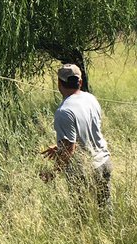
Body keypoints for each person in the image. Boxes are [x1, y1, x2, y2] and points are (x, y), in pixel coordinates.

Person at [42, 63, 112, 211]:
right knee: (105, 212)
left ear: (59, 83)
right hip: (104, 162)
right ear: (80, 82)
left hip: (84, 170)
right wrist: (59, 147)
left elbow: (69, 150)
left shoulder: (63, 112)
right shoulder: (91, 98)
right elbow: (89, 131)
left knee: (81, 214)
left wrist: (52, 174)